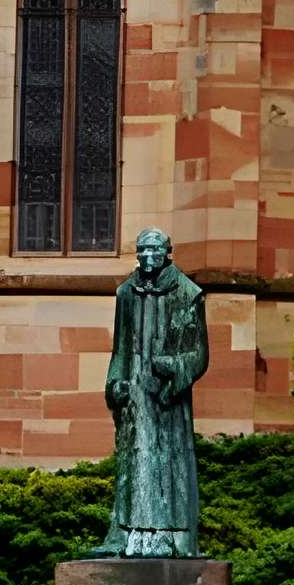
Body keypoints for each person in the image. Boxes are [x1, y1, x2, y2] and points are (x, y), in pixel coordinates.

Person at [99, 228, 209, 557]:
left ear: (167, 252)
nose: (148, 256)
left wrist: (172, 371)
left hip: (167, 398)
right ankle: (126, 537)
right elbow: (120, 348)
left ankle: (172, 539)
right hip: (135, 398)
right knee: (134, 463)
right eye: (143, 250)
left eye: (155, 250)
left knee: (170, 465)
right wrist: (115, 383)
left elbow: (200, 354)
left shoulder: (188, 293)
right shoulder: (126, 293)